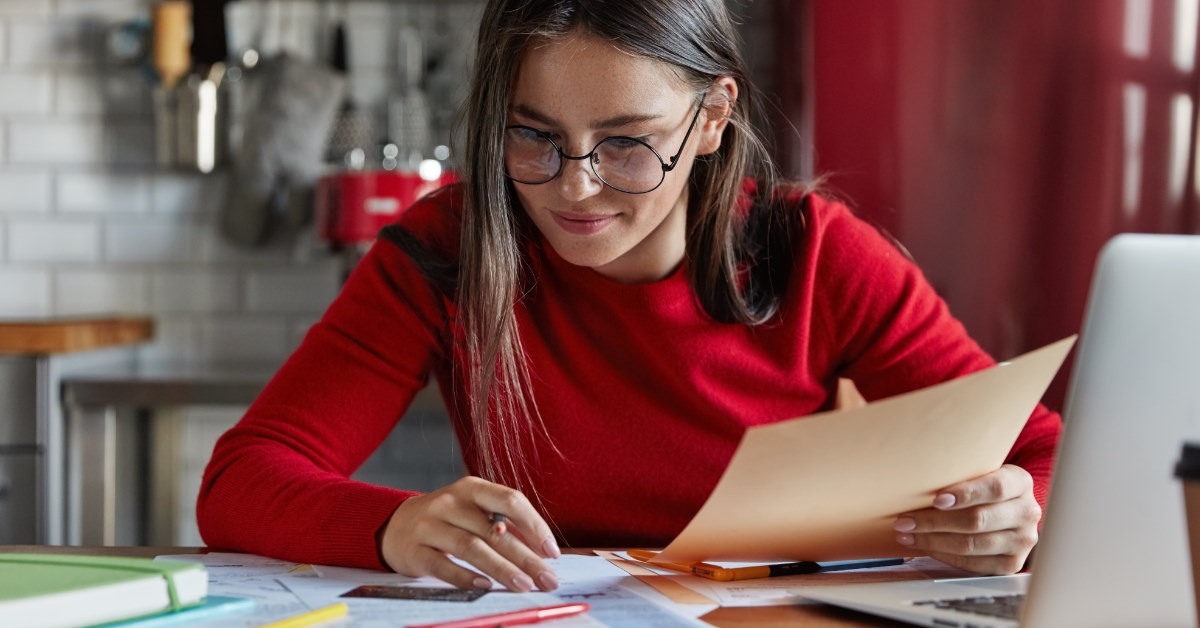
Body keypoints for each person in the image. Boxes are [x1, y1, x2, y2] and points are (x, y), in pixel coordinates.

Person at [198, 0, 1060, 595]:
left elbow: (1044, 450)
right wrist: (395, 527)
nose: (575, 188)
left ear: (714, 119)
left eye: (625, 144)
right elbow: (241, 481)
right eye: (534, 136)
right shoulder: (450, 246)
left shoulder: (819, 255)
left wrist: (1019, 508)